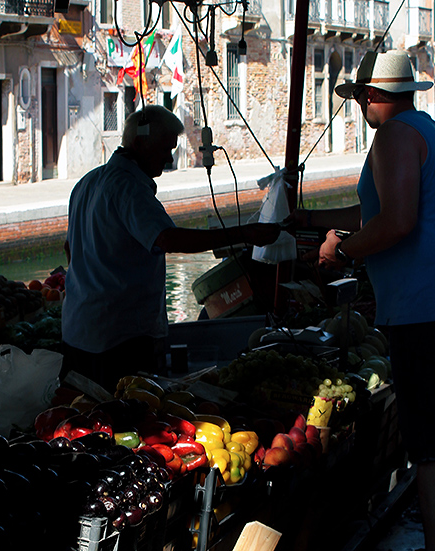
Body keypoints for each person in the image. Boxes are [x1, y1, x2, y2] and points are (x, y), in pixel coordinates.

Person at [298, 50, 435, 551]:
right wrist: (317, 222)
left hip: (431, 311)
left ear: (370, 95)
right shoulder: (425, 130)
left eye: (362, 95)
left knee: (433, 445)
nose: (360, 103)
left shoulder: (391, 138)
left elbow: (397, 223)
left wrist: (343, 254)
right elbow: (387, 211)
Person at [61, 105, 280, 392]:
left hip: (78, 330)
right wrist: (244, 234)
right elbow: (169, 239)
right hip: (118, 338)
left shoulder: (88, 182)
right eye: (165, 149)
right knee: (129, 420)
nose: (168, 159)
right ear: (139, 145)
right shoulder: (130, 189)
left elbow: (69, 248)